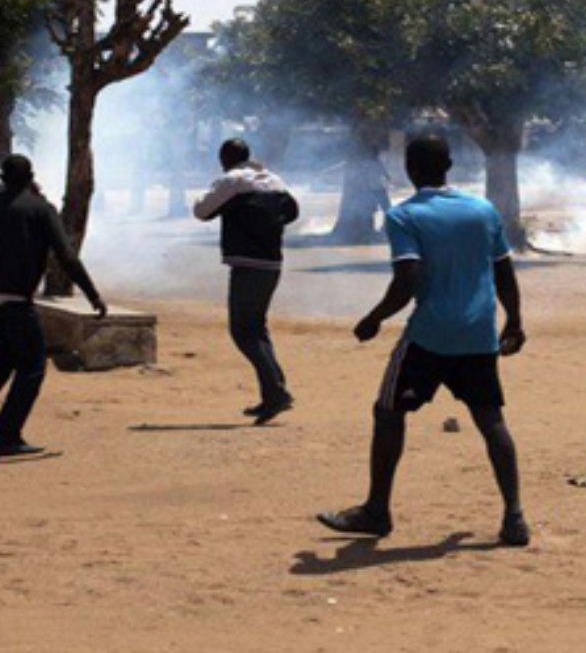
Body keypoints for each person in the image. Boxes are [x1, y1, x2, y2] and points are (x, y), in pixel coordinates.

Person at [317, 133, 531, 547]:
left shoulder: (404, 216)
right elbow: (504, 272)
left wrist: (374, 318)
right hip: (478, 334)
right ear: (449, 166)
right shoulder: (482, 210)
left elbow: (407, 279)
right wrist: (515, 322)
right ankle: (514, 517)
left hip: (429, 337)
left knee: (388, 412)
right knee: (491, 421)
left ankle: (377, 511)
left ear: (408, 169)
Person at [0, 154, 107, 457]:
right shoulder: (41, 210)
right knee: (32, 366)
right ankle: (7, 436)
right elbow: (67, 257)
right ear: (31, 177)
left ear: (3, 177)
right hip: (16, 298)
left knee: (4, 359)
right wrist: (93, 295)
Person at [193, 138, 300, 425]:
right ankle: (273, 391)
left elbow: (201, 211)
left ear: (224, 158)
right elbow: (292, 211)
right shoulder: (274, 179)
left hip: (247, 264)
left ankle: (276, 392)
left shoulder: (232, 181)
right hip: (272, 263)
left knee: (242, 331)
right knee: (256, 328)